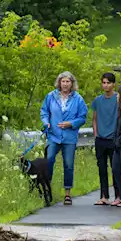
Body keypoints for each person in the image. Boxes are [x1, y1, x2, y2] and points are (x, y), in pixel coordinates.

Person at [39, 71, 89, 205]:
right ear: (59, 83)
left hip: (69, 137)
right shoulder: (51, 96)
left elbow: (83, 117)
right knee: (48, 161)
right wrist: (46, 122)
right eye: (63, 81)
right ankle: (47, 190)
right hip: (53, 135)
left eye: (68, 81)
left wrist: (71, 123)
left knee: (68, 165)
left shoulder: (78, 99)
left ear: (72, 83)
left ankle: (67, 193)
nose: (65, 84)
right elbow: (44, 112)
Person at [90, 73, 120, 206]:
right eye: (103, 83)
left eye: (108, 83)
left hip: (113, 138)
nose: (105, 85)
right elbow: (94, 118)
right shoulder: (98, 100)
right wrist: (96, 133)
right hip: (101, 139)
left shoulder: (118, 99)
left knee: (115, 168)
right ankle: (104, 196)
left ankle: (118, 196)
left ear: (113, 84)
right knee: (102, 168)